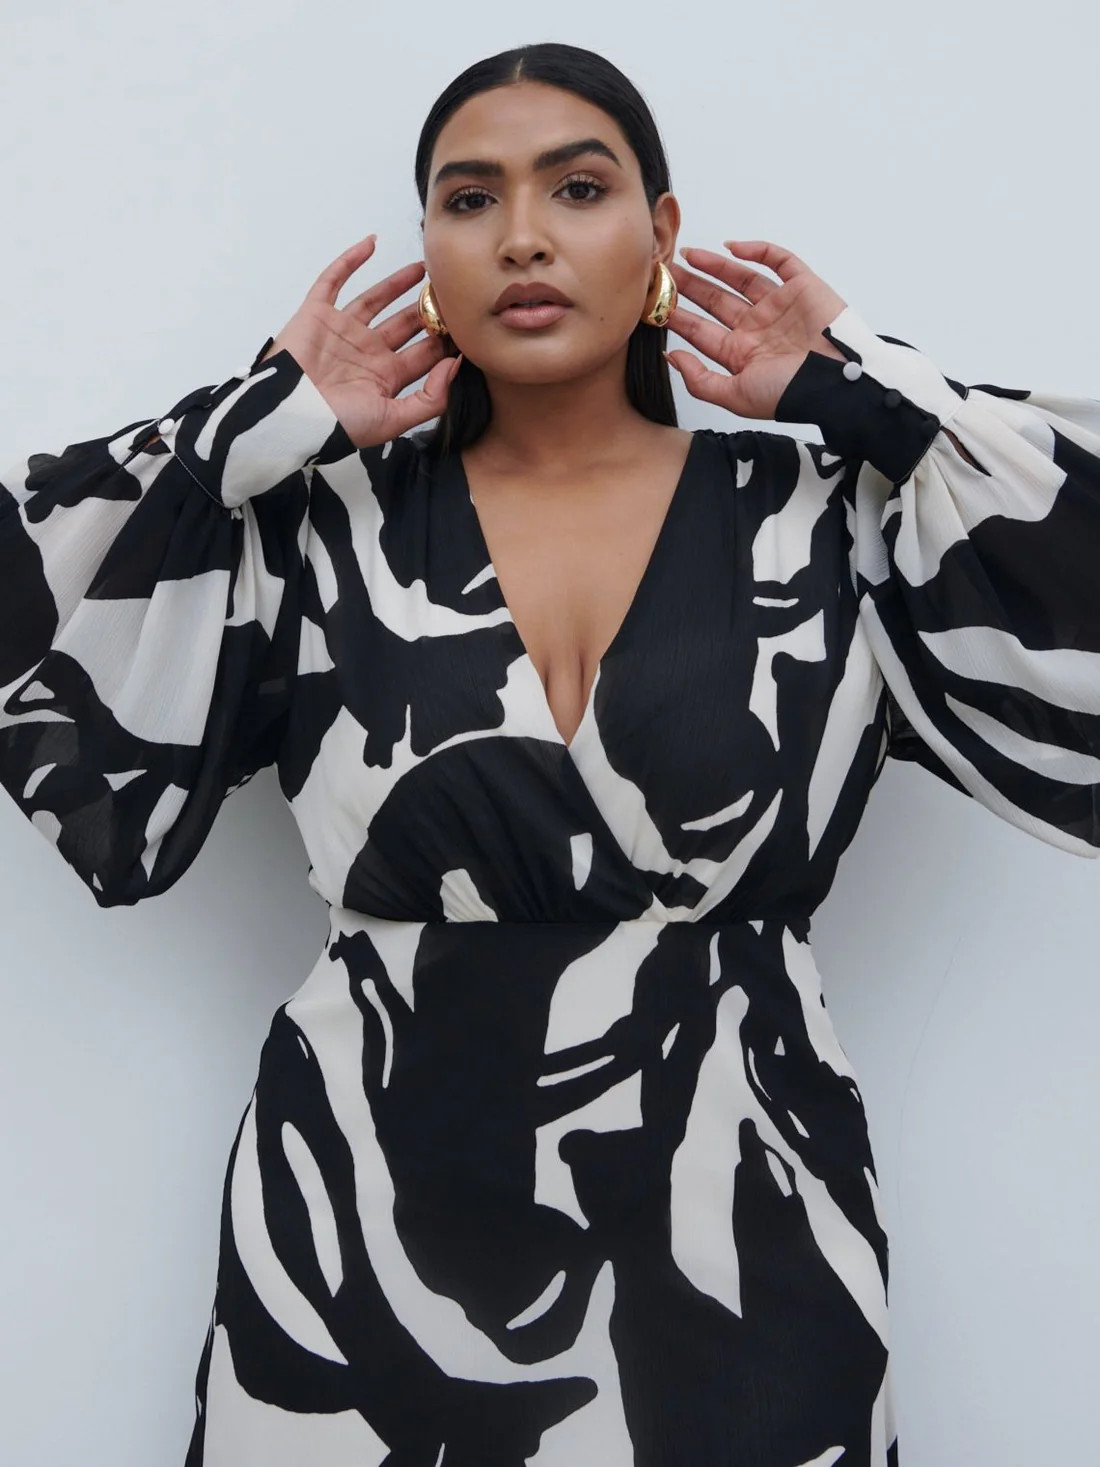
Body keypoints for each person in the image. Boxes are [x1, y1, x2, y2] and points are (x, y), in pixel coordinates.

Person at [1, 37, 1097, 1467]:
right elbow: (39, 623)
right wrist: (247, 426)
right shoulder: (316, 524)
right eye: (470, 200)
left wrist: (886, 397)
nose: (522, 236)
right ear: (429, 250)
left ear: (663, 231)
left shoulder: (834, 513)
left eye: (578, 188)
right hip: (364, 1240)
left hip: (743, 1227)